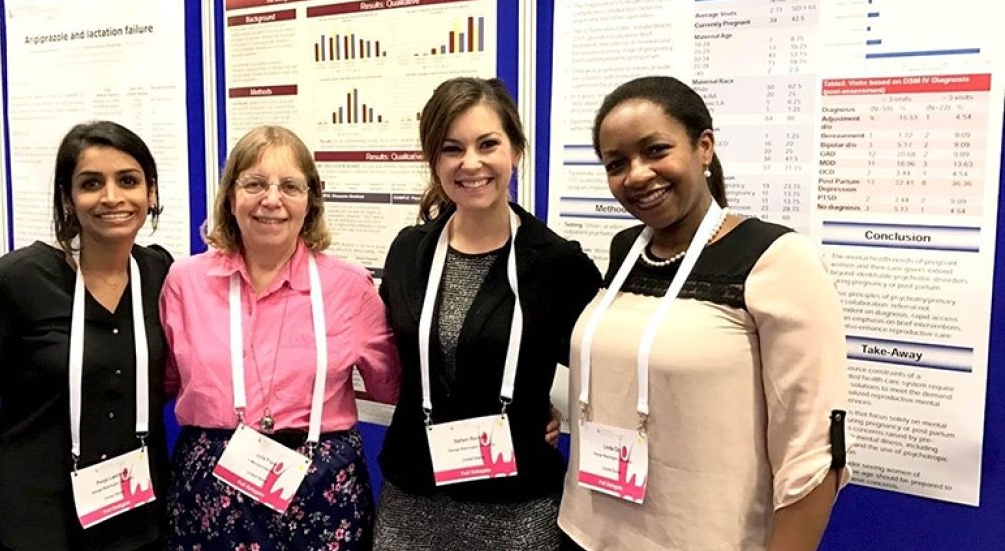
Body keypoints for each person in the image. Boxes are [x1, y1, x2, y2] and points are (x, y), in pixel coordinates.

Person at [558, 76, 850, 550]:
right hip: (586, 532)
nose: (635, 174)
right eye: (617, 163)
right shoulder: (626, 249)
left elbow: (812, 453)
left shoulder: (777, 258)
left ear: (704, 147)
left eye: (655, 150)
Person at [374, 77, 601, 550]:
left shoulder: (559, 265)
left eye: (488, 144)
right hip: (412, 501)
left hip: (515, 509)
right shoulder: (407, 253)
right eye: (452, 148)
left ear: (515, 149)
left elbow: (600, 371)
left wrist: (541, 403)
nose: (470, 163)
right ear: (433, 161)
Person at [160, 125, 400, 550]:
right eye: (254, 183)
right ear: (231, 196)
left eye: (290, 186)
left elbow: (393, 386)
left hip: (322, 490)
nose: (271, 200)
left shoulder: (349, 286)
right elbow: (159, 382)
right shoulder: (185, 282)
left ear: (311, 200)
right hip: (210, 490)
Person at [0, 121, 173, 551]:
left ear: (151, 192)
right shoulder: (11, 283)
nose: (112, 197)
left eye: (128, 181)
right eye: (90, 183)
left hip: (135, 522)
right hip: (33, 524)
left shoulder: (158, 274)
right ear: (68, 198)